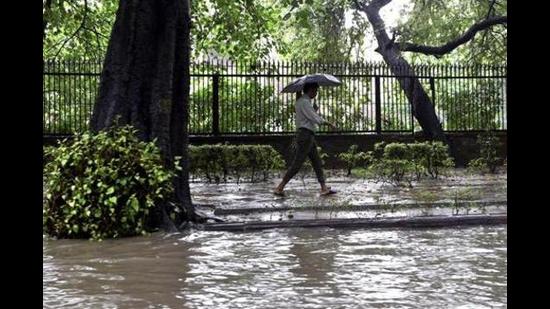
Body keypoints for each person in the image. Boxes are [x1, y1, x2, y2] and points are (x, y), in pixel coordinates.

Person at [274, 82, 337, 196]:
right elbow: (314, 118)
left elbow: (308, 116)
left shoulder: (303, 102)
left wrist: (314, 110)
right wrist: (329, 124)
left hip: (308, 135)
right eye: (316, 91)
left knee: (317, 161)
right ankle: (280, 187)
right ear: (311, 90)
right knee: (297, 164)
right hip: (305, 135)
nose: (316, 93)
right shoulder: (304, 102)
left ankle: (323, 187)